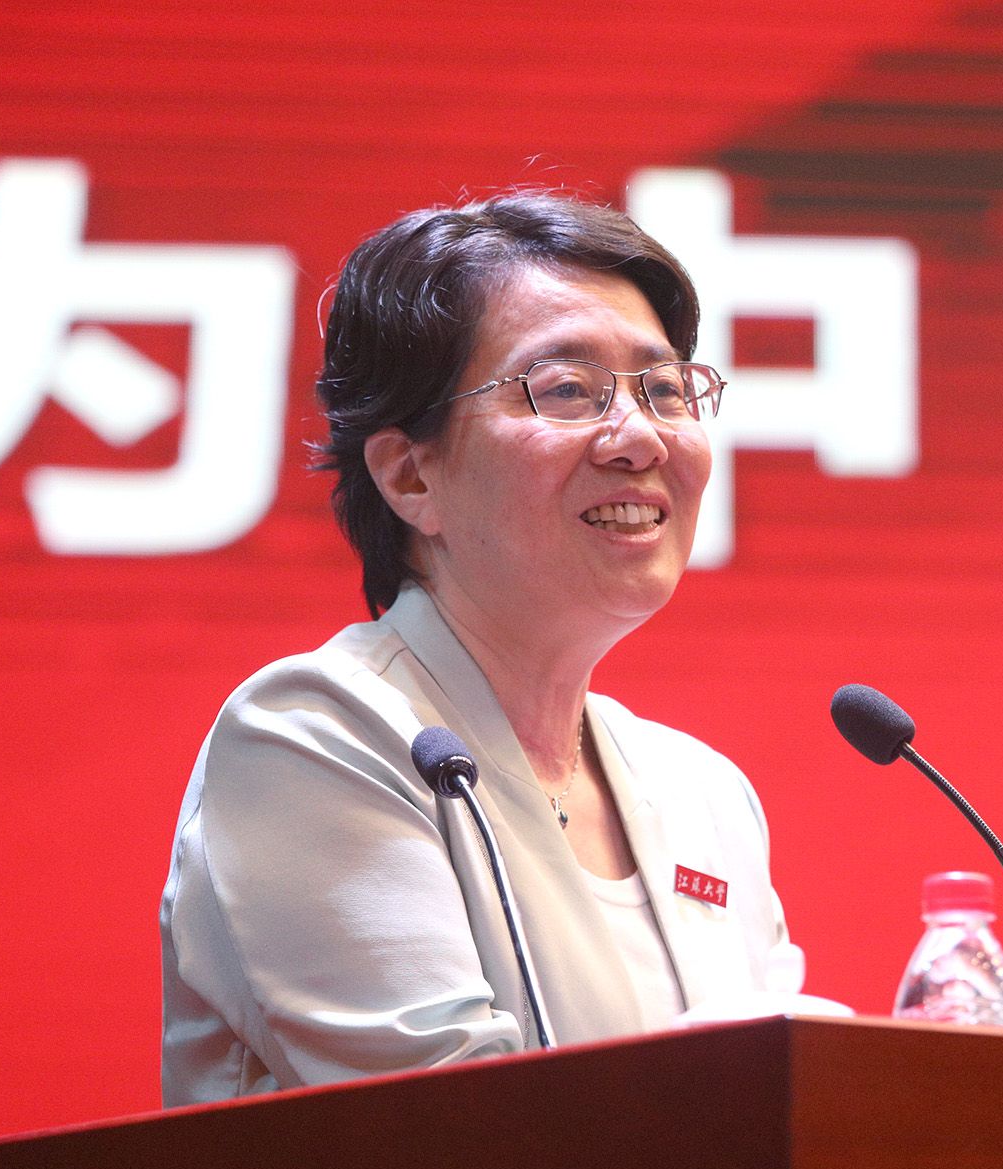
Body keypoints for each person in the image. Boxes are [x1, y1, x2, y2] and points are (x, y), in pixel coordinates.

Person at [159, 192, 793, 1105]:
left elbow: (789, 1105)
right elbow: (455, 1132)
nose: (642, 439)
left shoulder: (703, 791)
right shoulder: (315, 737)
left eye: (665, 390)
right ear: (410, 475)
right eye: (566, 390)